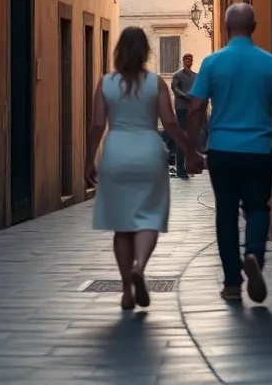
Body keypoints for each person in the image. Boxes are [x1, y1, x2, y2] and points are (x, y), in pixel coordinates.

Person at [85, 27, 203, 310]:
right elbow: (171, 123)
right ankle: (139, 267)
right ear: (145, 53)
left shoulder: (106, 84)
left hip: (115, 154)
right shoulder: (156, 84)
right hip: (149, 152)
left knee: (122, 227)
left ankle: (127, 289)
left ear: (118, 51)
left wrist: (89, 159)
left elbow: (98, 125)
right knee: (149, 218)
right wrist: (190, 150)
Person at [184, 3, 272, 304]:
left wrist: (191, 150)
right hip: (259, 150)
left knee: (227, 214)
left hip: (223, 152)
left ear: (226, 27)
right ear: (254, 27)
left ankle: (232, 283)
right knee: (258, 208)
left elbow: (194, 108)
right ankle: (254, 254)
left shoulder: (212, 63)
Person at [169, 54, 198, 179]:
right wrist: (186, 96)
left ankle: (188, 167)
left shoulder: (195, 76)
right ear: (183, 61)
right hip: (181, 109)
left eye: (191, 59)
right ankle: (180, 169)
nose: (189, 61)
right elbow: (175, 88)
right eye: (186, 59)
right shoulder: (177, 75)